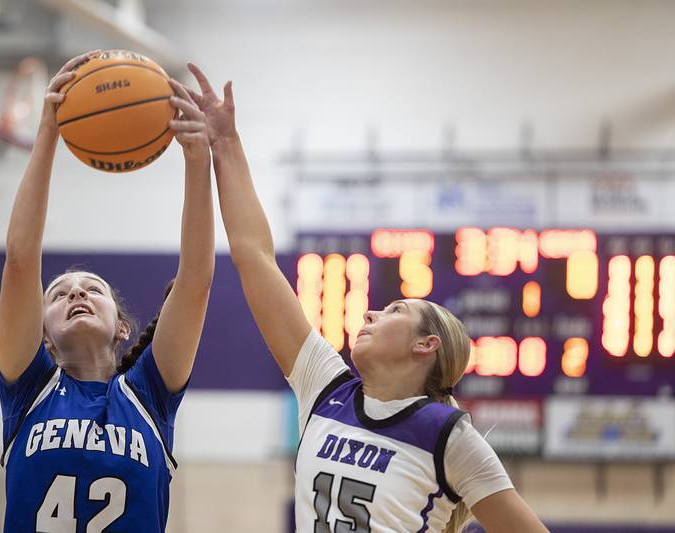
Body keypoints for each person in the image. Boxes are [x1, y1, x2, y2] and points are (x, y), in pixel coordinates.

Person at [184, 63, 550, 533]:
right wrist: (225, 144)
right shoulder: (324, 387)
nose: (373, 310)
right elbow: (254, 257)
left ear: (426, 345)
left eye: (396, 310)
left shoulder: (447, 434)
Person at [0, 51, 214, 532]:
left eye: (92, 288)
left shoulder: (149, 396)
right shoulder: (28, 389)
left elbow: (195, 279)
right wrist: (49, 133)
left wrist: (198, 162)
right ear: (43, 337)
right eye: (58, 294)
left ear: (121, 327)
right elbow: (19, 259)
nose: (76, 293)